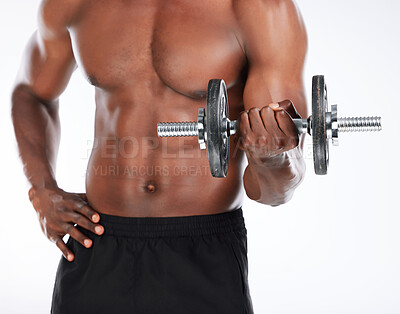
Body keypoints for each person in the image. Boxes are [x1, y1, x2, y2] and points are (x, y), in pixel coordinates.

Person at [11, 0, 307, 313]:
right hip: (96, 239)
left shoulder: (259, 10)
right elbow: (31, 94)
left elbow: (274, 190)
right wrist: (41, 189)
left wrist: (274, 159)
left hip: (203, 251)